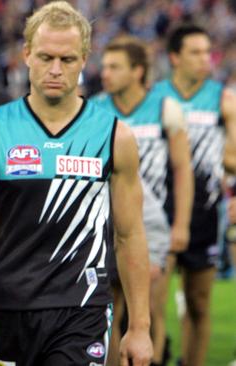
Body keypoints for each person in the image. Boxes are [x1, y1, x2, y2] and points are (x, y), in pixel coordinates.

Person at [0, 2, 152, 366]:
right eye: (45, 57)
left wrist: (140, 327)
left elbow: (130, 235)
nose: (55, 70)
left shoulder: (114, 137)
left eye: (67, 60)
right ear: (26, 54)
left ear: (85, 59)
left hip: (82, 308)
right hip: (9, 306)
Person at [91, 37, 194, 366]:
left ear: (137, 71)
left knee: (149, 309)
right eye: (104, 66)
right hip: (104, 227)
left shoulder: (165, 108)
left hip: (152, 226)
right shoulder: (94, 109)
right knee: (106, 313)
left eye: (114, 67)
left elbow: (182, 169)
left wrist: (180, 225)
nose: (105, 73)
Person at [151, 24, 236, 366]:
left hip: (204, 212)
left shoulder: (223, 98)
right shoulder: (154, 97)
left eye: (208, 52)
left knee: (199, 304)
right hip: (158, 211)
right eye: (196, 52)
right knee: (152, 304)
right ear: (175, 57)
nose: (206, 59)